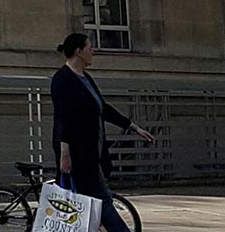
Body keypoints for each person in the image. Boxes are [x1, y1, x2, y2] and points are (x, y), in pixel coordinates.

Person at [51, 31, 152, 232]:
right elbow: (63, 117)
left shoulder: (85, 78)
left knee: (87, 202)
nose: (93, 52)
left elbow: (102, 108)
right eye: (90, 48)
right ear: (79, 52)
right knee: (102, 199)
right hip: (77, 152)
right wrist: (65, 153)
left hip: (92, 149)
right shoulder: (62, 80)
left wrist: (132, 126)